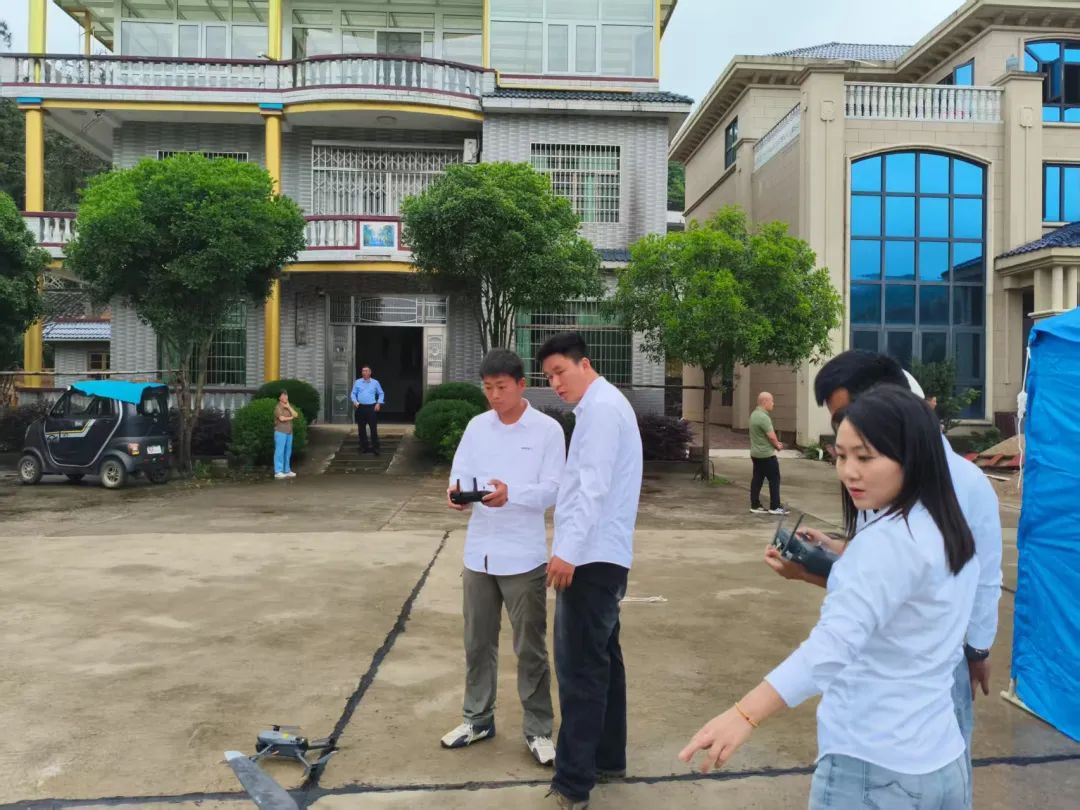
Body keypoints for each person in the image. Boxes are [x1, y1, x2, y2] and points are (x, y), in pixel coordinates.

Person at [682, 385, 978, 808]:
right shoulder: (946, 527)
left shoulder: (885, 543)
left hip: (874, 768)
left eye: (865, 457)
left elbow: (832, 646)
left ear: (911, 455)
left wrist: (745, 713)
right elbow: (904, 607)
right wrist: (832, 561)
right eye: (840, 456)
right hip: (942, 762)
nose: (848, 472)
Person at [765, 350, 1002, 808]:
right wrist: (833, 556)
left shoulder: (963, 485)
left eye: (848, 420)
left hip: (888, 738)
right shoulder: (905, 493)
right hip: (921, 737)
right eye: (840, 444)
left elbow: (977, 578)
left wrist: (743, 716)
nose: (848, 461)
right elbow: (900, 579)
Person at [441, 348, 566, 767]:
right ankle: (477, 719)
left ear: (521, 385)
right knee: (477, 643)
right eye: (488, 388)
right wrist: (457, 494)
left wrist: (513, 494)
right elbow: (460, 472)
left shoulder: (547, 430)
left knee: (530, 648)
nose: (494, 396)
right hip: (479, 554)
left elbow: (554, 488)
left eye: (501, 387)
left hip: (523, 557)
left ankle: (539, 729)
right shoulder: (477, 427)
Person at [538, 332, 643, 810]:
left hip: (589, 558)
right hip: (605, 555)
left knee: (579, 668)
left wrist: (567, 551)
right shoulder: (604, 405)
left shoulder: (601, 409)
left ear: (585, 363)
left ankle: (573, 784)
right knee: (603, 663)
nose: (555, 383)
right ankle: (607, 758)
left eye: (560, 372)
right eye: (548, 377)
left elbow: (593, 488)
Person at [749, 392, 787, 515]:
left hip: (756, 453)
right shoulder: (763, 417)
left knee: (757, 479)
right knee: (774, 479)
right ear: (765, 402)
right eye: (771, 401)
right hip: (766, 455)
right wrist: (777, 445)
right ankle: (775, 506)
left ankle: (755, 505)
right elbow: (771, 436)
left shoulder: (754, 414)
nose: (773, 404)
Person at [350, 365, 384, 455]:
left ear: (370, 372)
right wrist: (355, 401)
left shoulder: (375, 382)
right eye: (363, 371)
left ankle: (376, 448)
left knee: (373, 428)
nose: (364, 372)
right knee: (361, 429)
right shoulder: (357, 382)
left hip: (371, 407)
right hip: (360, 407)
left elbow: (381, 393)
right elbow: (353, 393)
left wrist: (378, 403)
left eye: (366, 371)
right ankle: (364, 447)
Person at [273, 391, 298, 480]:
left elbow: (296, 415)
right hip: (280, 432)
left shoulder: (288, 406)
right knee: (279, 452)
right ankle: (278, 471)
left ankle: (287, 470)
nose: (285, 397)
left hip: (289, 432)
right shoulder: (278, 407)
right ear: (279, 398)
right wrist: (291, 417)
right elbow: (282, 419)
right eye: (283, 395)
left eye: (286, 395)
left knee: (288, 452)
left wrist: (289, 407)